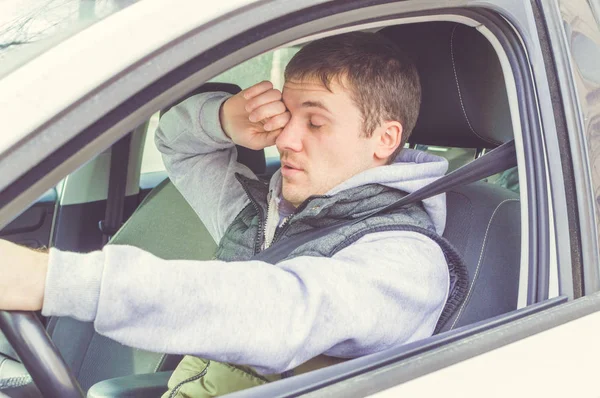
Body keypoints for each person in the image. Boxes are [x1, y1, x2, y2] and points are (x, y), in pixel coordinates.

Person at [0, 32, 464, 397]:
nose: (286, 139)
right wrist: (225, 119)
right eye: (286, 116)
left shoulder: (407, 259)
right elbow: (178, 146)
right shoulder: (261, 214)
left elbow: (285, 311)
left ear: (385, 139)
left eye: (315, 122)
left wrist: (50, 280)